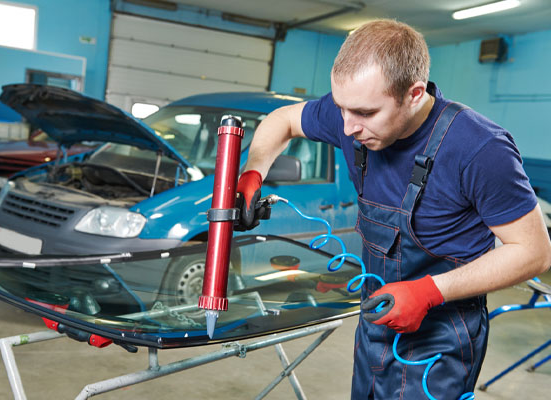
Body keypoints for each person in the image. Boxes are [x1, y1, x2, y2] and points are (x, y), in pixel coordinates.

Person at [235, 19, 551, 399]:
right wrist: (252, 172)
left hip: (441, 340)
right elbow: (281, 120)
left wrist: (428, 292)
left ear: (414, 94)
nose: (348, 128)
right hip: (374, 322)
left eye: (365, 114)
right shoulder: (350, 115)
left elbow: (534, 252)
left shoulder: (480, 149)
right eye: (341, 109)